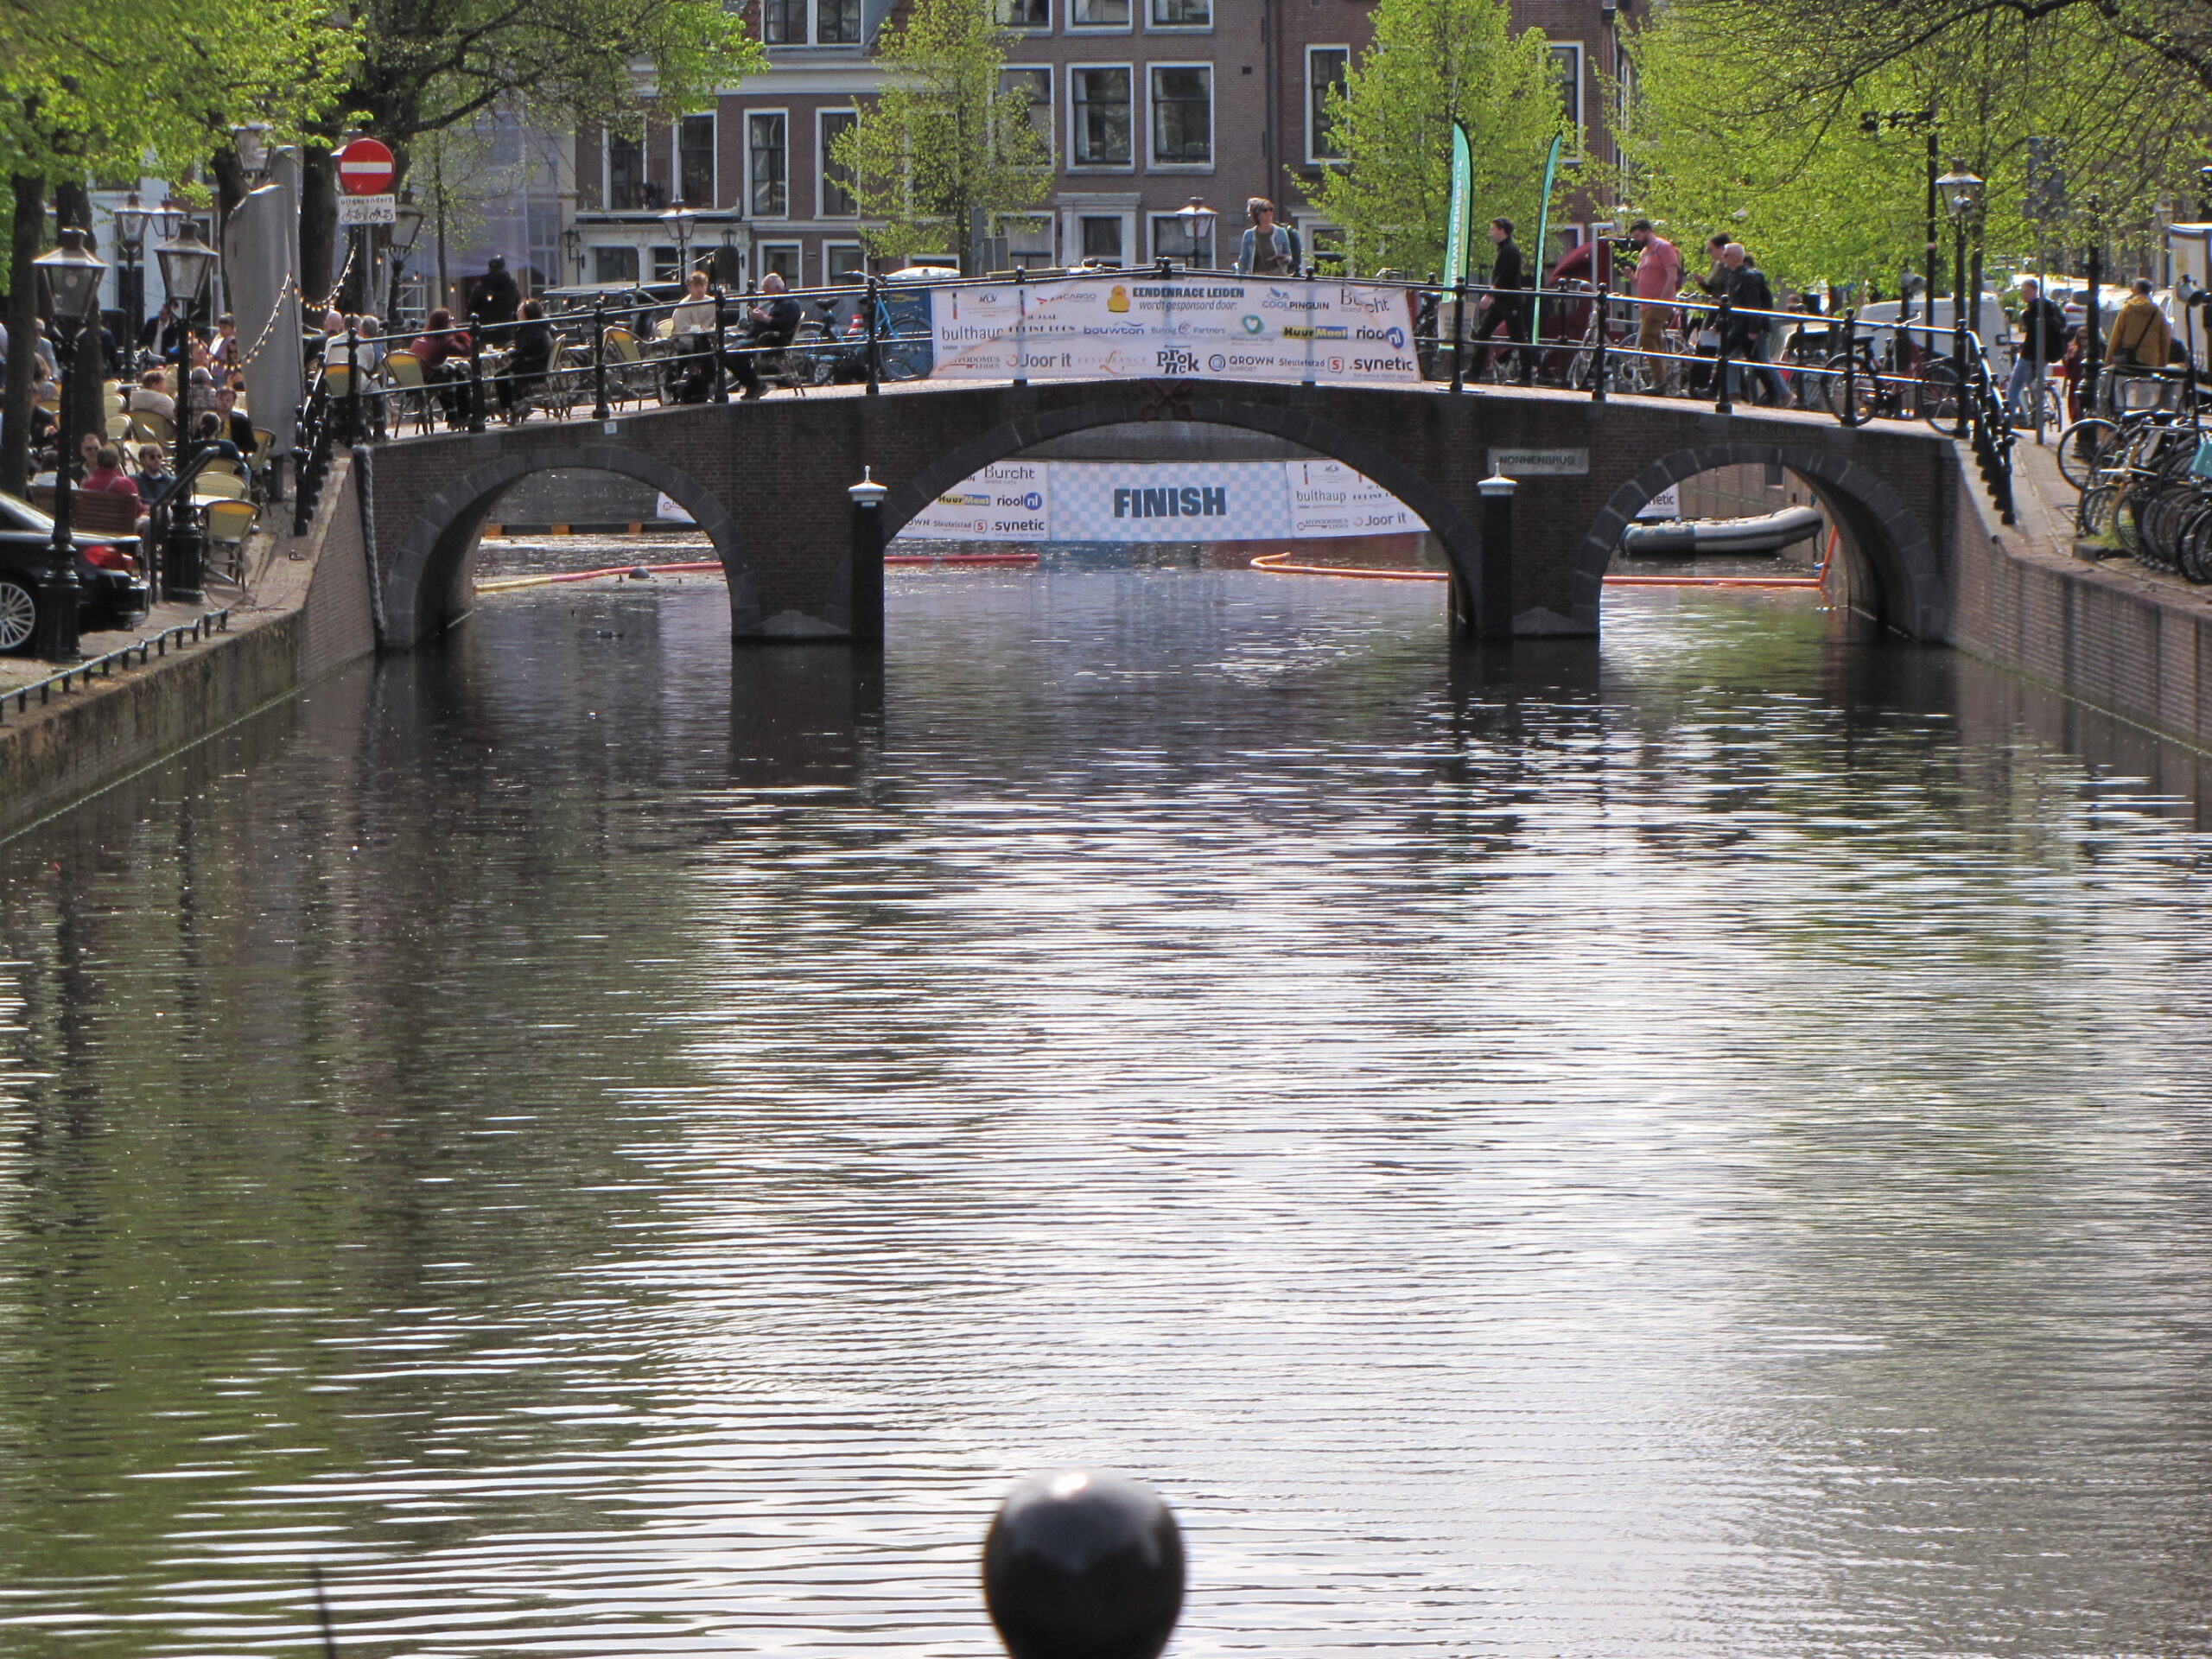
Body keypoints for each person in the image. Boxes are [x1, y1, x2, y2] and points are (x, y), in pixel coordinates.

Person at [1719, 242, 1789, 404]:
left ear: (1736, 257)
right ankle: (1734, 394)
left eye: (1726, 255)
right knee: (1733, 356)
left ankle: (1780, 394)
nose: (1723, 258)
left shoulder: (1747, 277)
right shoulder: (1733, 276)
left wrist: (1754, 328)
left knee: (1755, 359)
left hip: (1748, 325)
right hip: (1740, 324)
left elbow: (1753, 304)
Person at [1625, 219, 1682, 391]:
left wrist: (1663, 299)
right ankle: (1660, 380)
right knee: (1654, 339)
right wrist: (1630, 276)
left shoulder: (1663, 248)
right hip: (1645, 304)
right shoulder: (1643, 253)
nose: (1636, 240)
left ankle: (1660, 380)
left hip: (1659, 302)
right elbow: (1641, 283)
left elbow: (1672, 276)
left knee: (1645, 337)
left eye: (1638, 236)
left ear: (1647, 232)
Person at [2005, 278, 2069, 425]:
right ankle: (2037, 412)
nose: (2024, 295)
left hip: (2031, 354)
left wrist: (2025, 316)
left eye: (2027, 291)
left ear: (2035, 290)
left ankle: (2008, 422)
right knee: (2031, 382)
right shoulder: (2051, 306)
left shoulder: (2034, 309)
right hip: (2047, 353)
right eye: (2023, 292)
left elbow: (2034, 332)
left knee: (2014, 387)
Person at [729, 273, 802, 400]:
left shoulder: (789, 303)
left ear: (777, 289)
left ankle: (755, 385)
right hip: (762, 338)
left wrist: (763, 317)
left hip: (769, 341)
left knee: (731, 354)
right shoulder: (781, 302)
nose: (766, 295)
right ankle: (753, 384)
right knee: (727, 352)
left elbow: (785, 325)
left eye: (767, 292)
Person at [1473, 218, 1527, 377]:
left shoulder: (1510, 250)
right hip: (1501, 300)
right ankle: (1474, 371)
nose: (1490, 232)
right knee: (1483, 332)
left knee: (1518, 337)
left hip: (1510, 300)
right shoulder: (1504, 249)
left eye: (1493, 229)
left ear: (1501, 230)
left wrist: (1489, 295)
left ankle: (1527, 375)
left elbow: (1505, 277)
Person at [409, 307, 475, 426]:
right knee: (458, 378)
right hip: (428, 379)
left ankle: (454, 416)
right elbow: (467, 351)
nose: (453, 322)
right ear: (446, 323)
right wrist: (458, 332)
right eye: (451, 319)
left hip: (413, 379)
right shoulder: (443, 340)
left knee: (452, 373)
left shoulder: (422, 337)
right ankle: (461, 416)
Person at [667, 272, 721, 403]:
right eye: (696, 286)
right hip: (684, 340)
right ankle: (670, 389)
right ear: (690, 288)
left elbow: (715, 323)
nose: (700, 289)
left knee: (707, 347)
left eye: (703, 285)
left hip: (705, 339)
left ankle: (709, 385)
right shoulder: (683, 306)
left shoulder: (711, 302)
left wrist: (707, 330)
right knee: (684, 354)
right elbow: (682, 330)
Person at [497, 299, 556, 419]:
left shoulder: (531, 329)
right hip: (539, 364)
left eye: (520, 310)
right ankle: (518, 404)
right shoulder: (539, 327)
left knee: (500, 377)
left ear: (526, 314)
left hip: (534, 368)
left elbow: (527, 350)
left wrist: (512, 352)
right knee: (506, 373)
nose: (517, 313)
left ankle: (518, 404)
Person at [2107, 277, 2171, 372]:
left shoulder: (2127, 309)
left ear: (2136, 290)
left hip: (2128, 358)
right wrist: (2162, 364)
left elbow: (2116, 335)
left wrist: (2109, 360)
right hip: (2150, 359)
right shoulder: (2158, 313)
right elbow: (2165, 340)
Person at [1234, 198, 1302, 277]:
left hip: (1277, 276)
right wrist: (1239, 279)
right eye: (1265, 210)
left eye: (1271, 209)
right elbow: (1244, 260)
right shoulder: (1249, 234)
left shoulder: (1281, 232)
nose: (1269, 212)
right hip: (1257, 277)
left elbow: (1289, 255)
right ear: (1257, 214)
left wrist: (1285, 259)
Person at [468, 255, 523, 345]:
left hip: (485, 331)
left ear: (489, 269)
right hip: (505, 330)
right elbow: (516, 303)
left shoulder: (481, 286)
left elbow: (471, 308)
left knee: (484, 356)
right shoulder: (512, 286)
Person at [82, 444, 143, 509]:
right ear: (116, 463)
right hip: (121, 519)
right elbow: (137, 509)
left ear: (98, 462)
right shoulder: (126, 484)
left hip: (94, 518)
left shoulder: (88, 484)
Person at [141, 299, 187, 363]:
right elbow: (142, 338)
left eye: (162, 314)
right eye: (159, 313)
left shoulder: (173, 327)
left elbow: (172, 344)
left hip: (163, 359)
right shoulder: (151, 322)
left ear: (169, 315)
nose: (160, 316)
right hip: (150, 357)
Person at [213, 385, 256, 454]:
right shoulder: (209, 418)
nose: (224, 402)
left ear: (233, 402)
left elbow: (252, 446)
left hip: (233, 458)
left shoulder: (242, 421)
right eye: (221, 399)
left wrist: (233, 449)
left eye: (228, 400)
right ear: (216, 400)